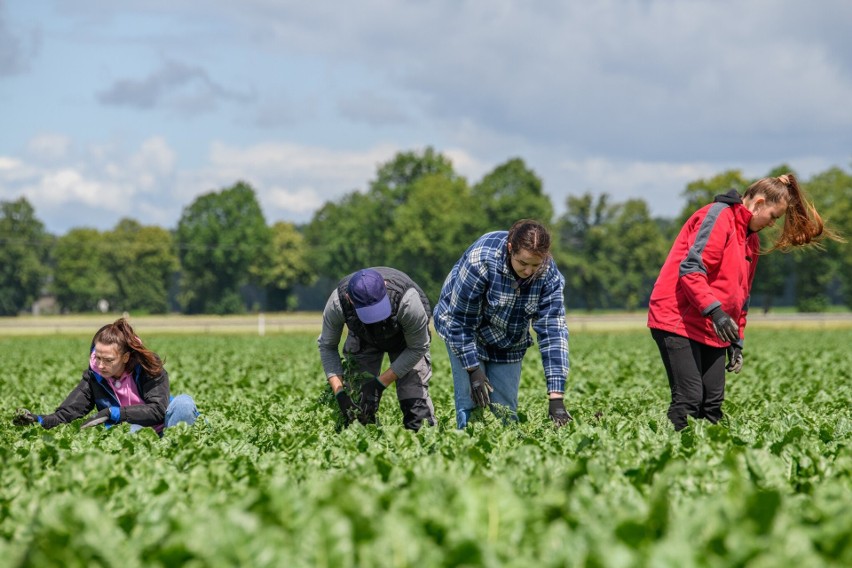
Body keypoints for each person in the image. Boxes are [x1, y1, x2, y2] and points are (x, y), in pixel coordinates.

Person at [648, 173, 839, 430]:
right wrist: (716, 312)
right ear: (759, 203)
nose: (773, 224)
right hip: (677, 319)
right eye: (773, 216)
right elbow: (692, 270)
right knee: (690, 400)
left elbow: (741, 294)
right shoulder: (717, 217)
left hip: (712, 324)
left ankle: (706, 463)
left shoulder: (751, 238)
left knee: (712, 403)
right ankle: (672, 457)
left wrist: (736, 340)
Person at [433, 219, 572, 429]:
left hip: (509, 337)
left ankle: (504, 455)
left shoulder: (549, 275)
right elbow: (460, 322)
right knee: (471, 403)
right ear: (510, 249)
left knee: (505, 410)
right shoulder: (480, 260)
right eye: (523, 263)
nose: (528, 271)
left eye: (536, 265)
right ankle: (467, 449)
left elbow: (553, 332)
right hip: (466, 330)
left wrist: (556, 397)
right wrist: (472, 370)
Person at [13, 318, 198, 434]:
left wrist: (114, 413)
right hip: (133, 430)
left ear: (125, 357)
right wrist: (39, 420)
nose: (101, 365)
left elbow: (158, 409)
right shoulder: (94, 376)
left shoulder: (148, 367)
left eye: (108, 360)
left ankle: (178, 447)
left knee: (184, 404)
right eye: (97, 357)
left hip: (166, 423)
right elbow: (68, 413)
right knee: (133, 432)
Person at [318, 267, 436, 431]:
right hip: (362, 335)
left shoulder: (407, 301)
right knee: (357, 404)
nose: (375, 317)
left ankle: (424, 446)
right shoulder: (338, 303)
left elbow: (418, 347)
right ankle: (362, 450)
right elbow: (327, 346)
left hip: (405, 339)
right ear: (349, 299)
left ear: (385, 285)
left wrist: (380, 383)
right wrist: (339, 392)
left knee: (413, 399)